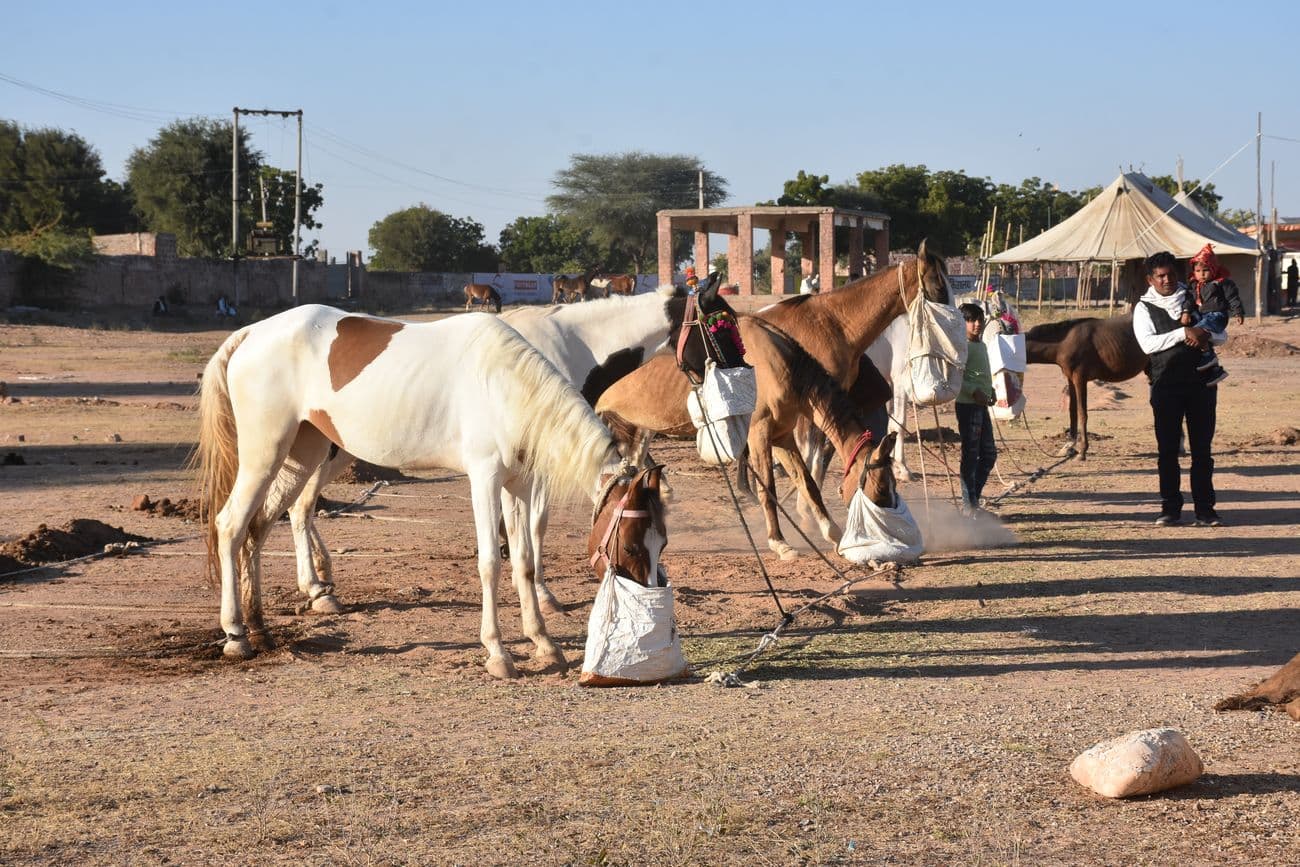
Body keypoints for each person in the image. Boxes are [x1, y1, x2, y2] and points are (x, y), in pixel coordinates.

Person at [1132, 250, 1224, 527]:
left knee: (1202, 450)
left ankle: (1205, 510)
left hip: (1201, 385)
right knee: (1168, 451)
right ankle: (1170, 508)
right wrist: (1184, 333)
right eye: (1160, 276)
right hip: (1165, 386)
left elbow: (1221, 333)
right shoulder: (1143, 308)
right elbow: (1148, 344)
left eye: (1171, 274)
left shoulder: (1197, 297)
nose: (1167, 280)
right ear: (1150, 280)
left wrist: (1204, 332)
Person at [1179, 244, 1242, 386]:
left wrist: (1237, 311)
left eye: (1206, 270)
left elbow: (1233, 298)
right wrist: (1186, 312)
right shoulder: (1194, 285)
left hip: (1217, 316)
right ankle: (1215, 370)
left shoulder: (1221, 283)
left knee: (1197, 333)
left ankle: (1209, 356)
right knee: (1193, 333)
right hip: (1202, 316)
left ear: (1213, 269)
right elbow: (1189, 300)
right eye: (1198, 271)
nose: (1202, 274)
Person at [955, 302, 997, 516]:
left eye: (979, 319)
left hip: (981, 407)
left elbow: (981, 374)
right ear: (962, 323)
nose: (977, 324)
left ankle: (973, 501)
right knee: (970, 456)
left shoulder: (980, 345)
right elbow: (956, 378)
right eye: (971, 320)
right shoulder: (961, 347)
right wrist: (973, 391)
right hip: (968, 407)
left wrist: (990, 390)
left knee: (989, 455)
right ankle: (968, 507)